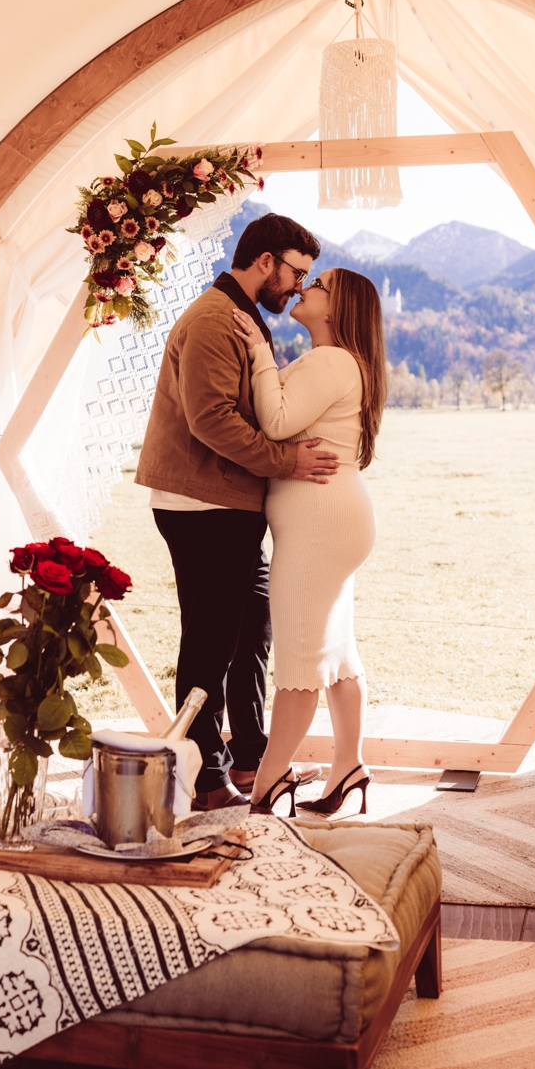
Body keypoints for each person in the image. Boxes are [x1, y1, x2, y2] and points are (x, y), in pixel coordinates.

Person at [136, 213, 337, 810]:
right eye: (297, 273)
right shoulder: (214, 320)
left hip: (229, 500)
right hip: (202, 503)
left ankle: (251, 758)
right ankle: (201, 777)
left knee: (252, 633)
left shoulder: (241, 318)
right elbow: (212, 419)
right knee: (211, 641)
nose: (299, 287)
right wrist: (287, 461)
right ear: (266, 260)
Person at [232, 267, 387, 817]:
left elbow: (275, 422)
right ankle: (349, 768)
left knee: (300, 658)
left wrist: (259, 356)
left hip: (320, 527)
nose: (303, 288)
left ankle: (268, 786)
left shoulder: (330, 361)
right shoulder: (336, 361)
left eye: (316, 285)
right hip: (332, 520)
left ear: (338, 307)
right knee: (337, 653)